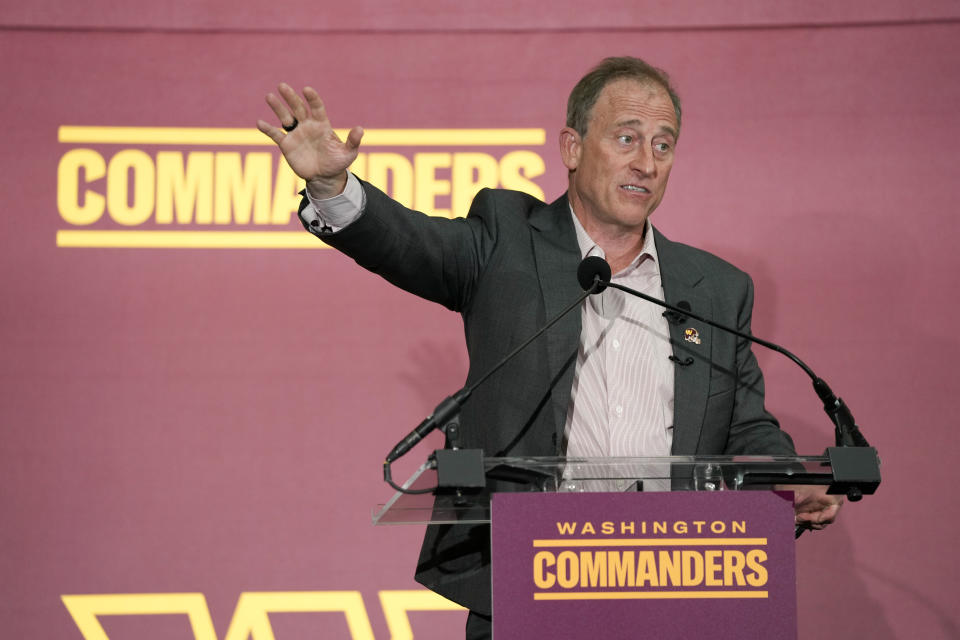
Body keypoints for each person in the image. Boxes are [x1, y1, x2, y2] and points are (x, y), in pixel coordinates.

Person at [258, 56, 842, 639]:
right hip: (534, 586)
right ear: (571, 147)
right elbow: (410, 243)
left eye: (664, 146)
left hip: (679, 589)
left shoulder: (715, 289)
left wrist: (792, 476)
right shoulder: (506, 242)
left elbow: (743, 427)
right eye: (626, 138)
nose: (646, 162)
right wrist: (332, 187)